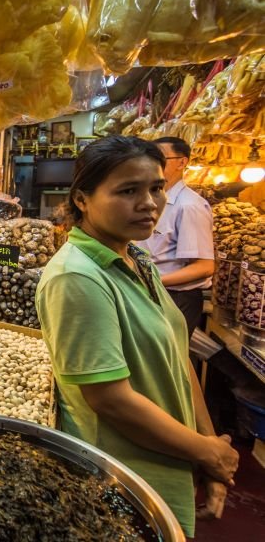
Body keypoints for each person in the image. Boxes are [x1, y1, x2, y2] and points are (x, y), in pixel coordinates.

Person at [36, 136, 238, 538]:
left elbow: (177, 359)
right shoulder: (77, 276)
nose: (148, 203)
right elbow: (111, 399)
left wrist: (208, 444)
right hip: (118, 478)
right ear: (82, 199)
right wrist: (206, 453)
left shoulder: (137, 258)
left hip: (166, 456)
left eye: (156, 188)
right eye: (127, 191)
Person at [135, 136, 214, 336]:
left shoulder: (189, 206)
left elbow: (204, 266)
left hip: (176, 297)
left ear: (182, 162)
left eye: (161, 159)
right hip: (148, 291)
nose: (153, 166)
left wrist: (154, 281)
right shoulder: (152, 200)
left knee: (171, 357)